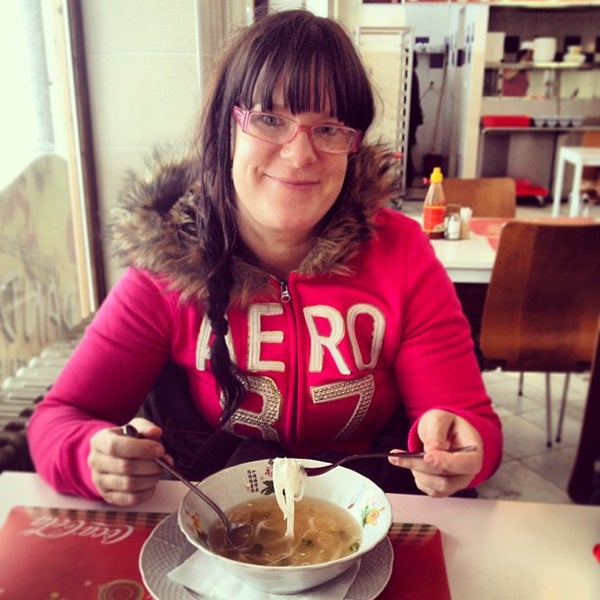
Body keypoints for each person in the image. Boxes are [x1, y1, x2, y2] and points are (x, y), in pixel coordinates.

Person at [27, 9, 502, 506]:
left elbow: (474, 426)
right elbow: (58, 420)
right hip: (221, 517)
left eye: (329, 129)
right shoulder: (169, 257)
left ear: (352, 146)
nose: (300, 155)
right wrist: (90, 456)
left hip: (370, 510)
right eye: (270, 120)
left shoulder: (401, 251)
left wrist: (460, 449)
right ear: (227, 129)